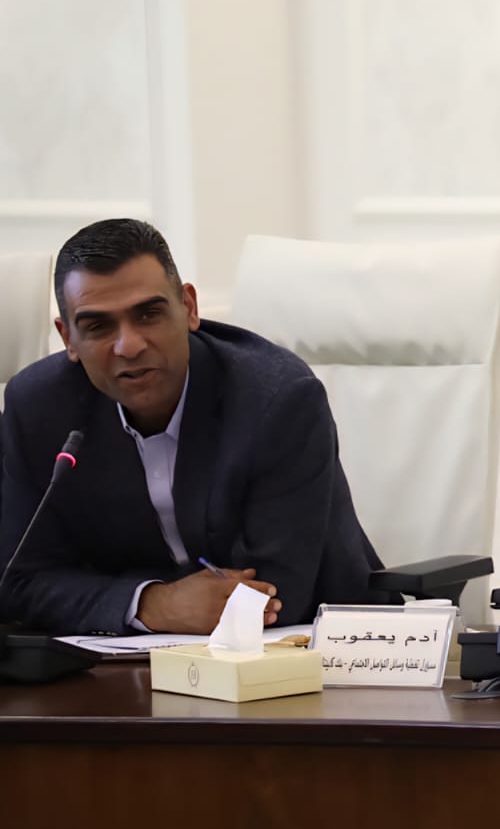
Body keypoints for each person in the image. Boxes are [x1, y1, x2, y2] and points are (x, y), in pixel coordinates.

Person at [0, 219, 386, 636]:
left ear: (189, 308)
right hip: (122, 663)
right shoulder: (38, 408)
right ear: (68, 338)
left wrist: (109, 596)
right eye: (98, 326)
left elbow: (276, 594)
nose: (129, 345)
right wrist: (152, 603)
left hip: (313, 650)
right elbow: (19, 580)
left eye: (149, 314)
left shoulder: (277, 398)